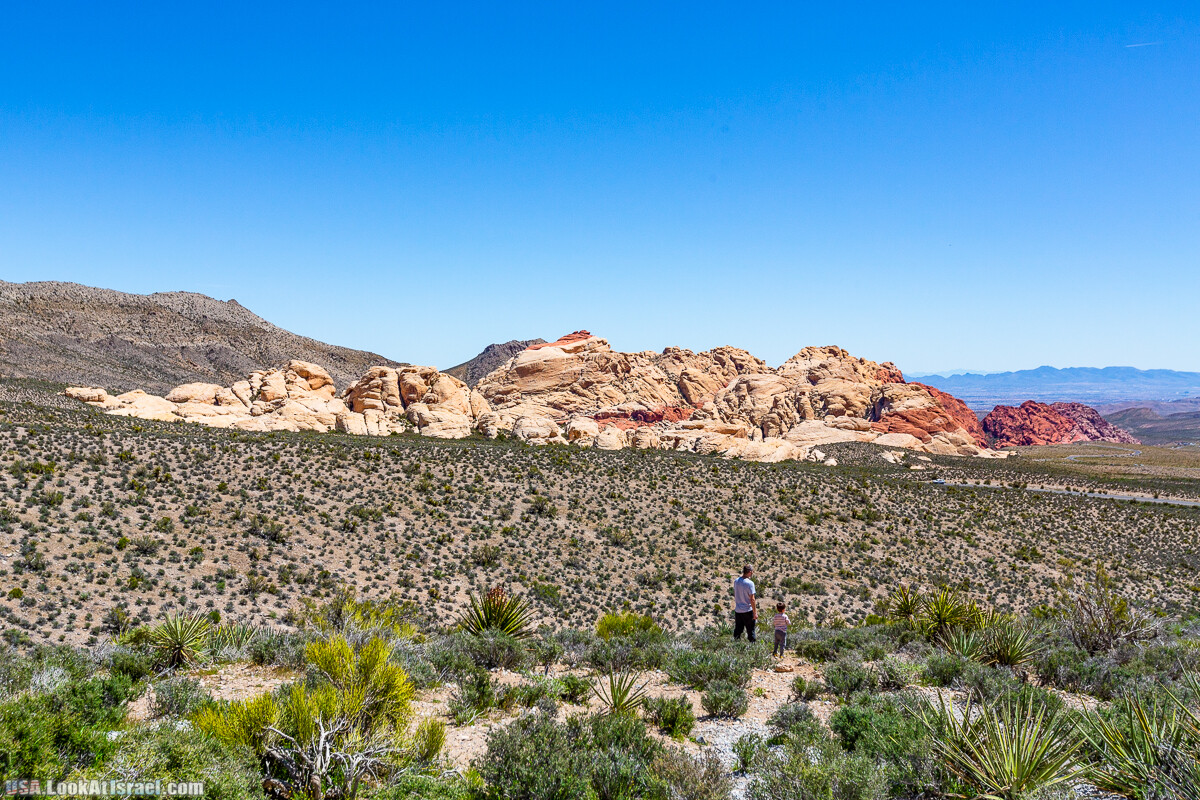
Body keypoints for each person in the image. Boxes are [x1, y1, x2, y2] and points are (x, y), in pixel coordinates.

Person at [733, 565, 757, 641]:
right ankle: (752, 646)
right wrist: (755, 612)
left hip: (738, 610)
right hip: (747, 610)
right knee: (751, 631)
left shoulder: (736, 581)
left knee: (738, 630)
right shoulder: (750, 583)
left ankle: (735, 644)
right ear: (750, 572)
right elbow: (752, 599)